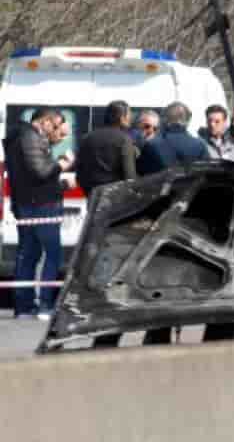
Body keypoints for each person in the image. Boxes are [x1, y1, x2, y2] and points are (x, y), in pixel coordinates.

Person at [4, 108, 73, 320]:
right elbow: (41, 172)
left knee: (29, 254)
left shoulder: (24, 138)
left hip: (27, 204)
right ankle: (43, 305)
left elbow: (35, 164)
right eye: (55, 126)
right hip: (42, 205)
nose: (57, 131)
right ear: (44, 122)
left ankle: (24, 307)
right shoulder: (29, 138)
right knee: (51, 255)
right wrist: (62, 164)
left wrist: (53, 142)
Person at [76, 100, 138, 197]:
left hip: (93, 196)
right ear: (122, 118)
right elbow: (129, 175)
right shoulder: (124, 139)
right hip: (115, 197)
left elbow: (79, 172)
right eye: (129, 116)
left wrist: (89, 192)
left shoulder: (87, 138)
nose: (131, 119)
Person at [138, 102, 208, 175]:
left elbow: (141, 172)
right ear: (188, 121)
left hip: (160, 185)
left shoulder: (152, 145)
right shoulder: (199, 145)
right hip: (192, 185)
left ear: (165, 120)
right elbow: (206, 172)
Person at [133, 110, 161, 175]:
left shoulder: (159, 152)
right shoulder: (129, 146)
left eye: (155, 128)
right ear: (138, 125)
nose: (151, 131)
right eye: (147, 126)